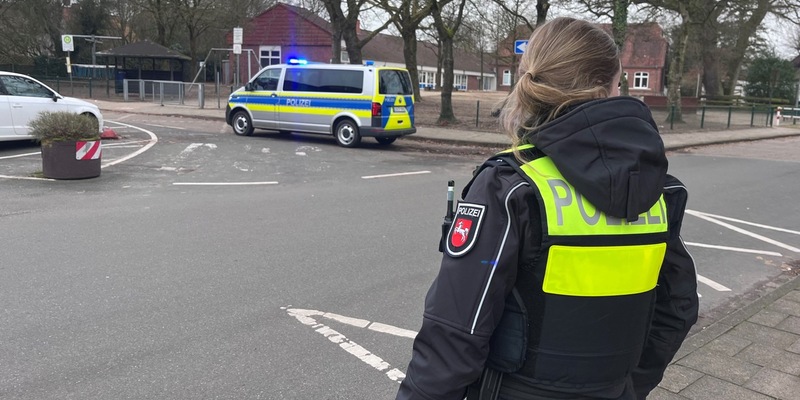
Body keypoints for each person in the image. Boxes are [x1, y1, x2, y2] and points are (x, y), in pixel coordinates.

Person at [396, 17, 698, 400]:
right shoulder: (659, 190)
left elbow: (457, 331)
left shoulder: (513, 188)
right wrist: (626, 386)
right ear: (611, 85)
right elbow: (678, 307)